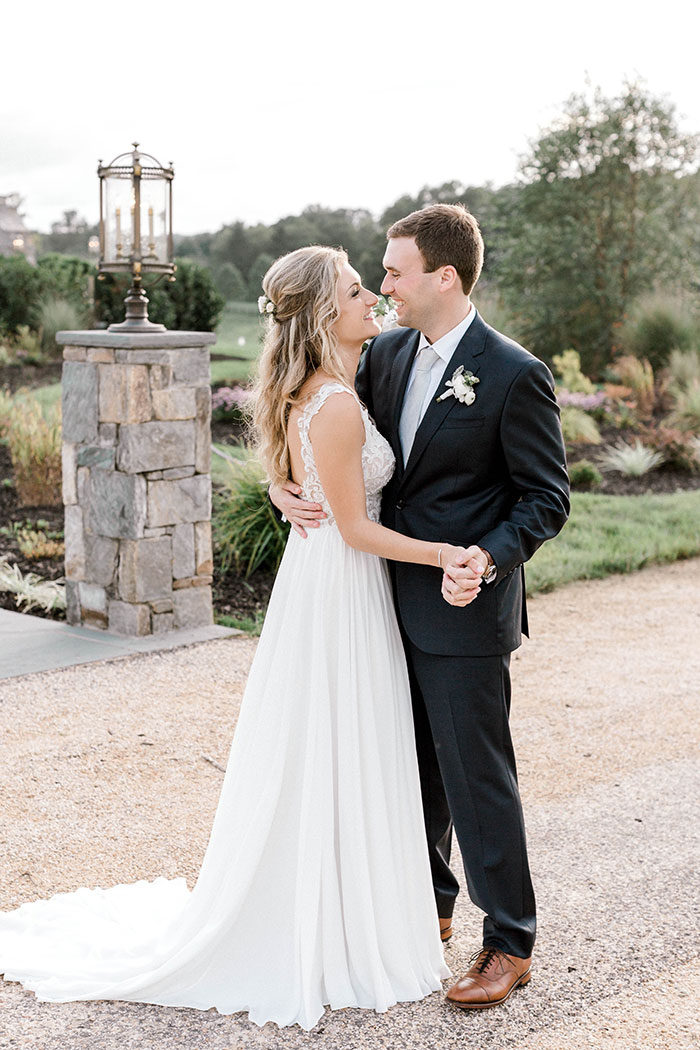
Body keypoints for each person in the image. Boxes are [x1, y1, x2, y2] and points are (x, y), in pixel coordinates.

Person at [0, 245, 471, 1030]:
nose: (375, 304)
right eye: (359, 292)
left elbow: (312, 476)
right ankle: (333, 925)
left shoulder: (323, 389)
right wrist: (445, 553)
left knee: (330, 744)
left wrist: (286, 490)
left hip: (322, 583)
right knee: (337, 740)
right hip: (341, 585)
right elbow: (355, 527)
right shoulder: (337, 403)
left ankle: (345, 907)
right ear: (325, 315)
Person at [271, 205, 570, 1010]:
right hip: (371, 600)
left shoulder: (512, 372)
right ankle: (429, 907)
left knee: (477, 778)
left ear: (446, 276)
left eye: (396, 271)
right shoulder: (386, 352)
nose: (386, 285)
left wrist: (489, 554)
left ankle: (509, 942)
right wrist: (280, 485)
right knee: (407, 769)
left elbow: (546, 498)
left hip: (463, 607)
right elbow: (314, 426)